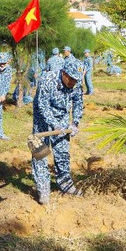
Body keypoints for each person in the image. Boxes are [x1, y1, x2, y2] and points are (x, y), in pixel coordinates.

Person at [31, 56, 85, 205]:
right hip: (42, 118)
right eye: (72, 79)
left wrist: (75, 122)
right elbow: (43, 106)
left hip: (62, 117)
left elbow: (78, 103)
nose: (74, 82)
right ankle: (43, 189)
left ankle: (65, 184)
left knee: (62, 152)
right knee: (40, 153)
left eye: (76, 80)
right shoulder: (47, 80)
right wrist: (54, 124)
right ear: (64, 74)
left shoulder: (76, 83)